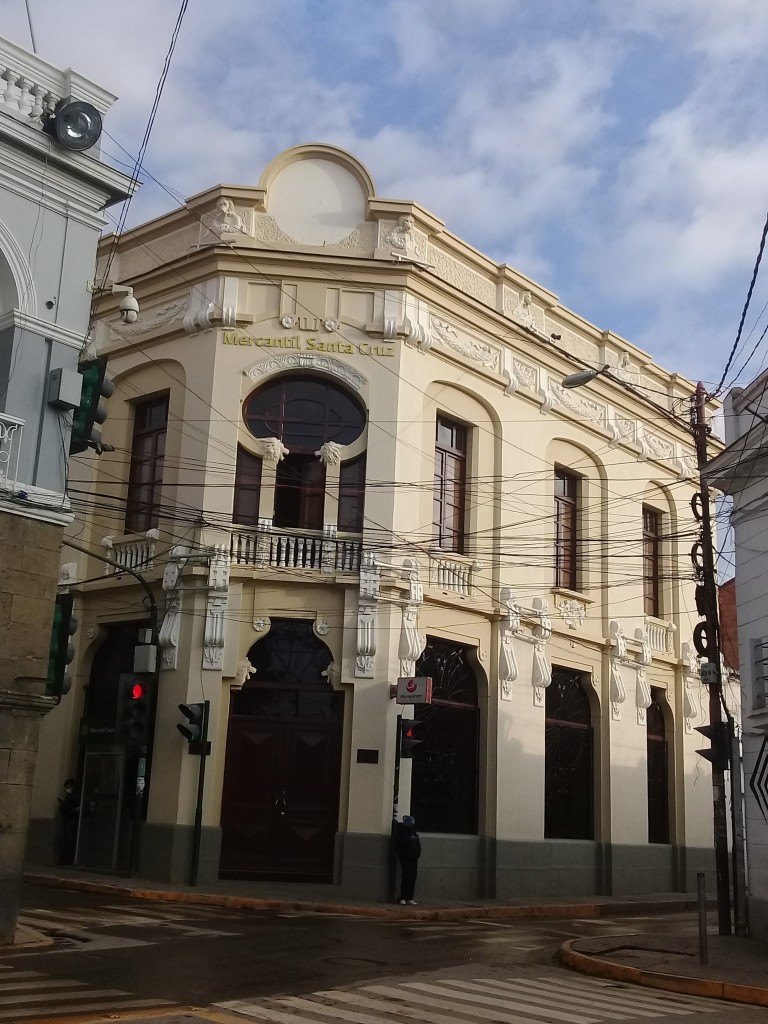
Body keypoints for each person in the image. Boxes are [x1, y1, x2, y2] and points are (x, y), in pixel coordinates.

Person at [394, 814, 421, 905]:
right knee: (406, 876)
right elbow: (398, 842)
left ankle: (409, 897)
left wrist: (417, 854)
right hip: (405, 857)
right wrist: (408, 840)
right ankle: (403, 897)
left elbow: (418, 844)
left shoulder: (413, 832)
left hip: (413, 857)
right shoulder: (402, 832)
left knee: (413, 877)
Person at [57, 778, 79, 865]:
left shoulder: (75, 796)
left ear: (73, 787)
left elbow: (75, 808)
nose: (67, 789)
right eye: (66, 788)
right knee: (64, 840)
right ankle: (64, 859)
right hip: (67, 819)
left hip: (71, 819)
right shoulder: (68, 796)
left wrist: (66, 807)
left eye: (68, 787)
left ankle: (68, 859)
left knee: (69, 840)